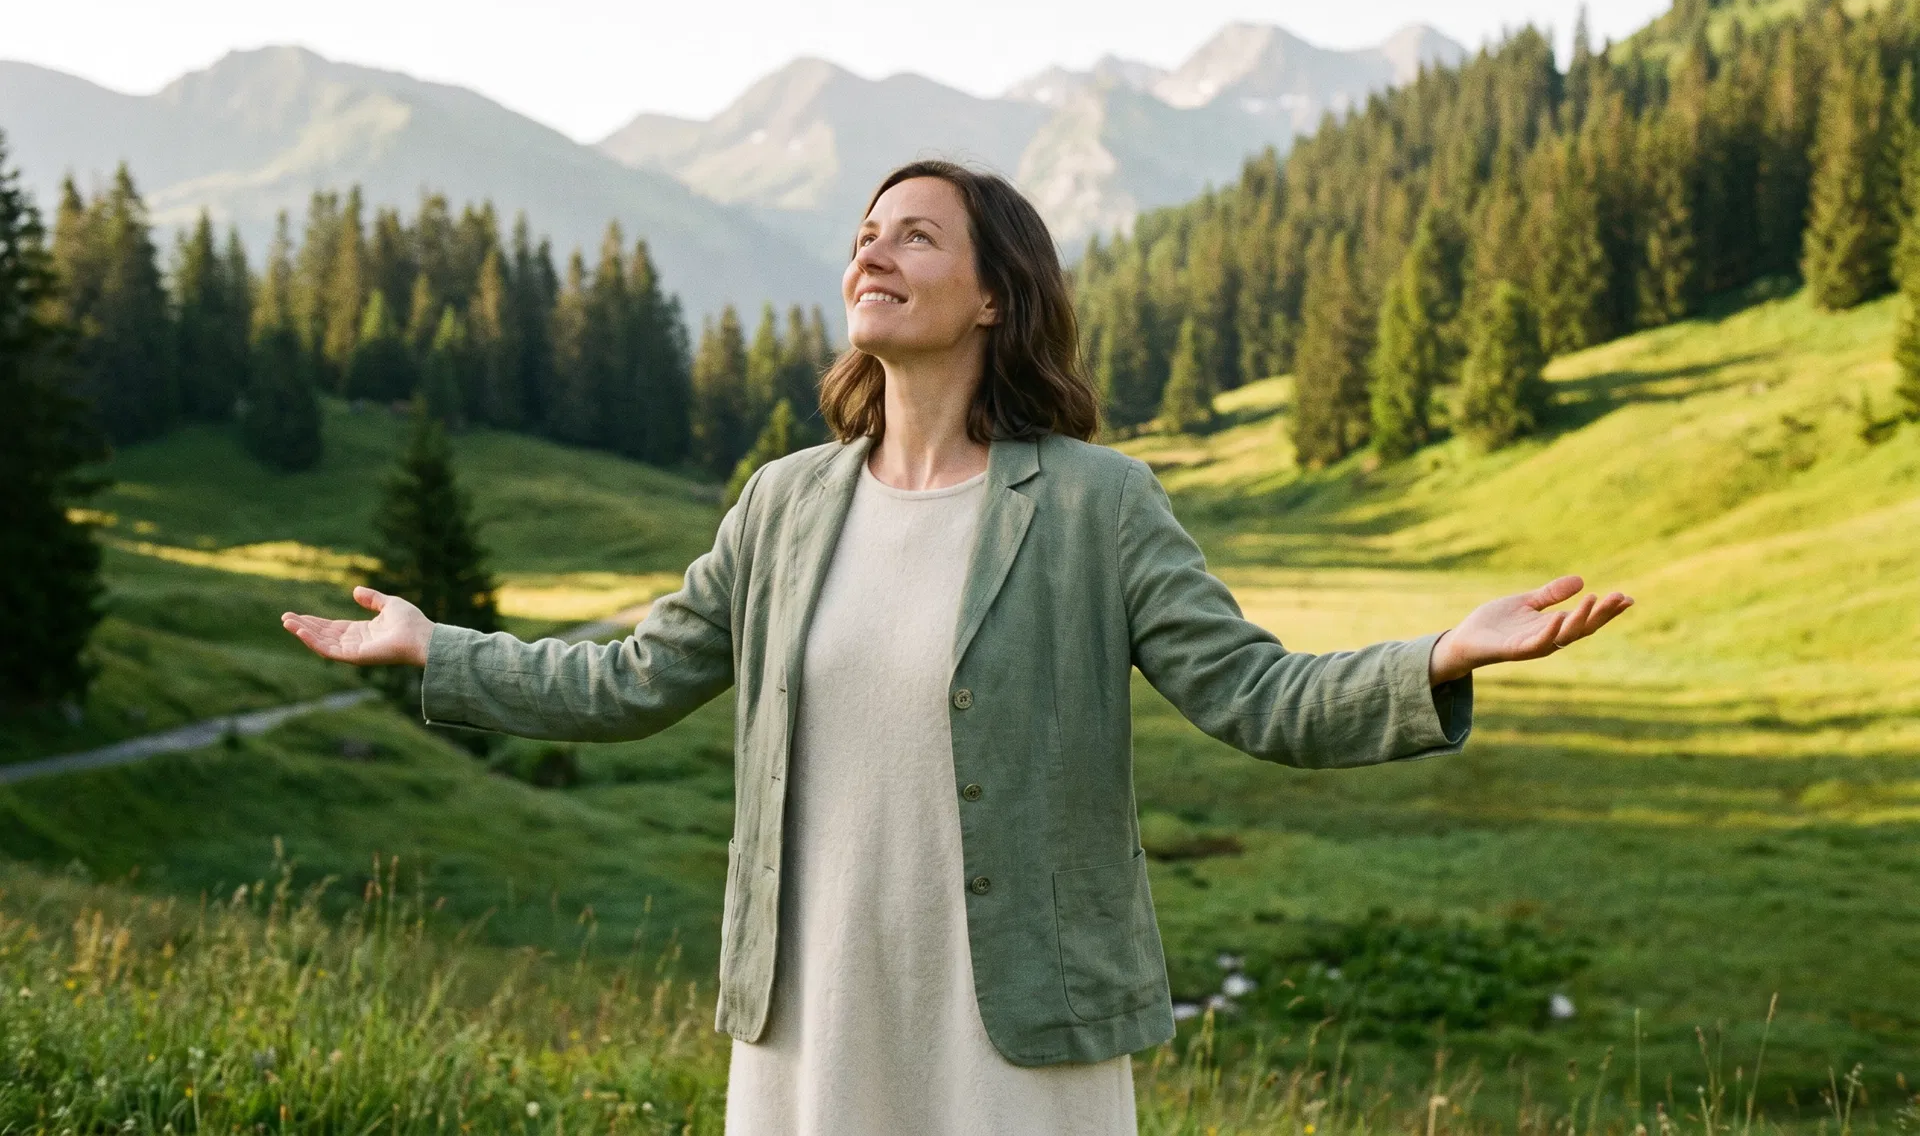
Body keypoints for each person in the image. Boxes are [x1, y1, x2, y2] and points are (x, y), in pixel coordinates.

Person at [281, 160, 1633, 1135]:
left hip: (1017, 1023)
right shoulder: (784, 503)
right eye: (865, 235)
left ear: (995, 297)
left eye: (916, 237)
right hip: (816, 1010)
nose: (873, 255)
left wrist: (1438, 658)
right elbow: (631, 679)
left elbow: (1255, 694)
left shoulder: (1098, 504)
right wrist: (435, 650)